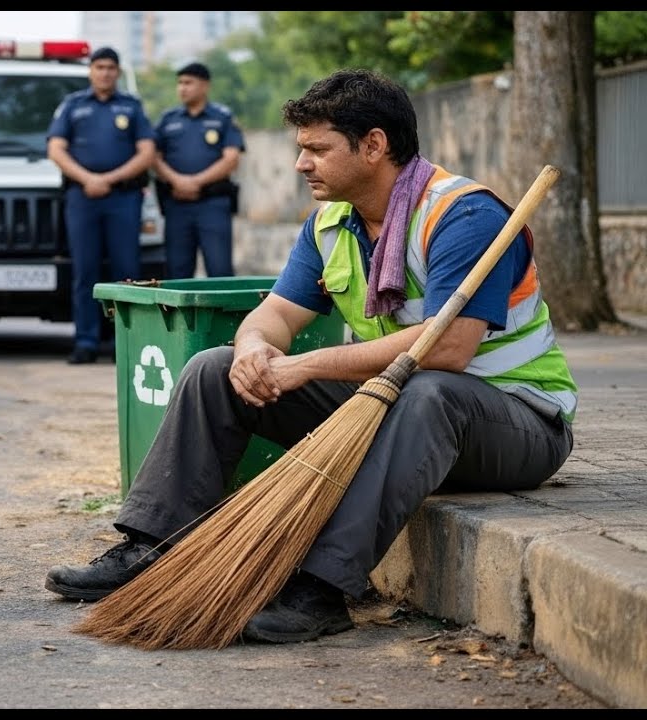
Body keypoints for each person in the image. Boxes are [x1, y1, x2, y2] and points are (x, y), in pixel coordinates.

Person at [44, 68, 579, 644]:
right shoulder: (330, 223)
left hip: (516, 422)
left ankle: (322, 589)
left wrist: (302, 365)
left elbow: (445, 347)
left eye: (317, 149)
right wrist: (251, 348)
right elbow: (274, 315)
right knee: (213, 370)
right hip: (396, 407)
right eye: (302, 149)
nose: (301, 164)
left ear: (374, 145)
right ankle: (152, 547)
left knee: (430, 392)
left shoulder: (464, 216)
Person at [46, 46, 156, 365]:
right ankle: (86, 341)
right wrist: (88, 179)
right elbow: (55, 149)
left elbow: (147, 152)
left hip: (123, 198)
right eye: (99, 67)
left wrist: (108, 178)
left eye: (110, 68)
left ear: (117, 72)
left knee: (127, 273)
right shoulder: (73, 105)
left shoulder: (131, 106)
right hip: (83, 198)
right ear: (90, 71)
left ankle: (127, 343)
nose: (105, 73)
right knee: (85, 271)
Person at [153, 61, 246, 279]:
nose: (182, 88)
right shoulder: (168, 119)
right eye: (179, 83)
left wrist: (195, 182)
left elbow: (231, 159)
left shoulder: (222, 117)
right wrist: (177, 181)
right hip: (177, 205)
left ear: (205, 86)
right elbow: (154, 157)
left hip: (212, 204)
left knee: (220, 271)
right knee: (177, 273)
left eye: (188, 82)